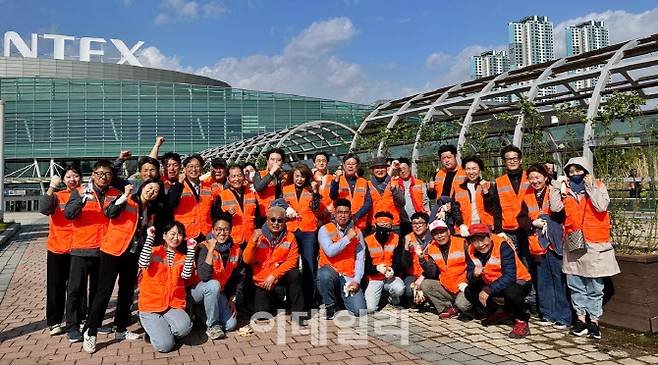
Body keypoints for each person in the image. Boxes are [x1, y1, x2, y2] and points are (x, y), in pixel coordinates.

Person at [83, 178, 164, 352]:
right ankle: (90, 332)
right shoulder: (126, 199)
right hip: (113, 251)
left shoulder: (150, 210)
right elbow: (109, 213)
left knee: (126, 292)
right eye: (150, 187)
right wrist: (124, 196)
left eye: (156, 191)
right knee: (103, 292)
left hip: (131, 255)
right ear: (142, 187)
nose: (151, 192)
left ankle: (120, 329)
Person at [555, 157, 620, 340]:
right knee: (575, 284)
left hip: (594, 243)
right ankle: (581, 320)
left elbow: (601, 206)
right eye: (571, 171)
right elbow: (554, 207)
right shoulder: (565, 191)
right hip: (574, 242)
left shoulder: (598, 185)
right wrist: (556, 186)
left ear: (586, 170)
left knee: (595, 286)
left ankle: (594, 321)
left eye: (579, 170)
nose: (575, 174)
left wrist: (590, 187)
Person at [63, 160, 124, 343]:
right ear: (93, 175)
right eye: (99, 174)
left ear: (111, 177)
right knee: (75, 290)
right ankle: (72, 326)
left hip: (105, 249)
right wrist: (82, 201)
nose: (103, 177)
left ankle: (93, 323)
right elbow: (69, 213)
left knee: (99, 290)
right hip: (82, 249)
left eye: (107, 174)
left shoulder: (116, 194)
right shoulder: (80, 192)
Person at [521, 164, 570, 329]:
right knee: (543, 281)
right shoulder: (527, 194)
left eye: (538, 177)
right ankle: (547, 314)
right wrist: (531, 223)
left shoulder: (555, 191)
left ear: (545, 177)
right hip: (537, 244)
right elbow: (520, 218)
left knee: (559, 279)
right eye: (531, 178)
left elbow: (561, 212)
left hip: (556, 242)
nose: (535, 181)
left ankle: (563, 317)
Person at [243, 202, 306, 325]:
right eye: (273, 219)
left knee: (295, 274)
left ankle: (298, 314)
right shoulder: (258, 236)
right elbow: (246, 260)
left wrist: (274, 275)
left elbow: (292, 261)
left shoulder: (290, 237)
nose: (276, 223)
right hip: (262, 279)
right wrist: (253, 243)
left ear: (285, 222)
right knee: (262, 315)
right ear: (267, 220)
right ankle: (276, 299)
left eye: (280, 220)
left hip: (278, 275)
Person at [464, 224, 532, 338]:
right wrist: (474, 275)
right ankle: (499, 311)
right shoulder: (470, 250)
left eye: (483, 239)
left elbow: (510, 276)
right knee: (469, 290)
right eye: (475, 241)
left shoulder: (502, 246)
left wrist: (488, 290)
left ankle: (521, 320)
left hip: (519, 281)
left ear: (490, 236)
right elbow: (469, 276)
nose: (481, 245)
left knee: (511, 292)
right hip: (492, 283)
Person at [138, 221, 196, 353]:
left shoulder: (183, 257)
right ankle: (152, 329)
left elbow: (186, 275)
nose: (176, 237)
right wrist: (149, 238)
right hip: (150, 306)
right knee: (165, 346)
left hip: (172, 305)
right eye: (172, 234)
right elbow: (142, 262)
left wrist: (191, 250)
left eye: (179, 234)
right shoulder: (153, 251)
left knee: (185, 328)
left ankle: (160, 329)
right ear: (164, 235)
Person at [40, 165, 82, 336]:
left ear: (81, 178)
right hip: (57, 248)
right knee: (56, 286)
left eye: (76, 176)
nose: (73, 179)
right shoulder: (57, 196)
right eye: (69, 177)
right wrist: (51, 186)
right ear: (63, 180)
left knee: (77, 287)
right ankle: (55, 321)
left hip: (79, 248)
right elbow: (44, 209)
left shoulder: (86, 195)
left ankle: (79, 317)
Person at [189, 213, 242, 339]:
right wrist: (211, 250)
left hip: (218, 293)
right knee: (213, 284)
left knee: (230, 325)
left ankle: (202, 314)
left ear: (230, 231)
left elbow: (239, 276)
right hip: (197, 291)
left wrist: (232, 298)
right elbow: (204, 276)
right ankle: (212, 326)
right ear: (212, 230)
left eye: (226, 229)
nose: (222, 233)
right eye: (218, 229)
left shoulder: (236, 249)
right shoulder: (204, 247)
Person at [317, 198, 367, 318]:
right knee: (323, 274)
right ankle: (330, 306)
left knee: (359, 311)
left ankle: (340, 298)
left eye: (346, 212)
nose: (343, 216)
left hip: (348, 276)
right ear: (334, 213)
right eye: (340, 212)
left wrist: (356, 281)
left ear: (350, 214)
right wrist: (347, 238)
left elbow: (360, 259)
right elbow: (330, 252)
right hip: (331, 273)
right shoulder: (325, 229)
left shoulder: (358, 233)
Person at [282, 163, 323, 311]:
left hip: (308, 231)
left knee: (309, 265)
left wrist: (315, 190)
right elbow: (279, 203)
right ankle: (292, 300)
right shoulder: (285, 189)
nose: (299, 179)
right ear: (293, 176)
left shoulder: (311, 190)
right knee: (290, 266)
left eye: (302, 176)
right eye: (297, 176)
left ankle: (310, 300)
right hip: (291, 230)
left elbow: (317, 208)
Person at [419, 220, 470, 319]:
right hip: (447, 287)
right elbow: (432, 273)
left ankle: (464, 308)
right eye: (435, 234)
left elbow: (472, 265)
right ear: (433, 236)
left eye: (442, 232)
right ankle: (448, 308)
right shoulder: (432, 248)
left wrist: (468, 283)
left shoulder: (462, 243)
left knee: (462, 304)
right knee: (426, 284)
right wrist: (422, 260)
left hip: (464, 286)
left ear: (448, 232)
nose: (439, 236)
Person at [363, 212, 405, 313]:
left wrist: (393, 269)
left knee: (399, 288)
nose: (384, 228)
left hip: (390, 276)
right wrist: (376, 268)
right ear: (375, 225)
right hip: (374, 278)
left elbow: (399, 260)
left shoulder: (396, 239)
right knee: (370, 308)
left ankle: (393, 299)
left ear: (391, 226)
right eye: (381, 225)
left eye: (387, 225)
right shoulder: (368, 240)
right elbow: (365, 265)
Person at [169, 154, 217, 241]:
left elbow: (214, 210)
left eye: (197, 166)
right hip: (185, 234)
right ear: (185, 170)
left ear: (201, 169)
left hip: (206, 233)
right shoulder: (177, 186)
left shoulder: (208, 186)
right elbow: (171, 203)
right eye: (190, 166)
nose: (194, 169)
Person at [219, 164, 262, 246]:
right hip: (231, 241)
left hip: (251, 239)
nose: (237, 179)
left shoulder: (252, 193)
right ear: (228, 179)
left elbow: (258, 217)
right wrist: (227, 214)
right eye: (233, 176)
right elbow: (216, 218)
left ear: (244, 177)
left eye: (239, 175)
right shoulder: (221, 196)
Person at [329, 153, 372, 231]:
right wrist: (336, 180)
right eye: (348, 164)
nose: (350, 166)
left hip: (359, 224)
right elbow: (333, 196)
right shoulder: (337, 180)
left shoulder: (364, 182)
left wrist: (356, 216)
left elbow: (368, 203)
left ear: (357, 166)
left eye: (353, 164)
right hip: (341, 225)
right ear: (344, 165)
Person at [453, 156, 493, 234]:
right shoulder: (458, 188)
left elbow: (491, 207)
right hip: (466, 229)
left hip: (485, 228)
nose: (471, 172)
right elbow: (455, 209)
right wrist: (461, 225)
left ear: (479, 170)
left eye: (474, 169)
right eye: (468, 169)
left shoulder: (488, 185)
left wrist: (485, 192)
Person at [400, 212, 432, 303]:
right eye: (414, 224)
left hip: (429, 274)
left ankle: (426, 297)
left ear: (427, 225)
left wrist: (423, 276)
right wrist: (406, 248)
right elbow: (405, 265)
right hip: (412, 274)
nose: (417, 226)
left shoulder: (433, 239)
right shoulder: (407, 238)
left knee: (427, 287)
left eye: (420, 223)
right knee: (410, 291)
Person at [368, 156, 404, 233]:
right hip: (375, 225)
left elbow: (402, 203)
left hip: (393, 226)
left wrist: (394, 191)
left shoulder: (394, 183)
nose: (380, 170)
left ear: (386, 169)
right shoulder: (368, 185)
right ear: (372, 170)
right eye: (377, 168)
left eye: (382, 168)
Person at [396, 158, 429, 235]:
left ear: (410, 167)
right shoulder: (394, 184)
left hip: (418, 221)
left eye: (404, 168)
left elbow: (426, 202)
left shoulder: (419, 183)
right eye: (400, 170)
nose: (403, 171)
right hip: (401, 222)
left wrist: (427, 218)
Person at [253, 148, 288, 216]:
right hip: (265, 215)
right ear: (267, 161)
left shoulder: (287, 176)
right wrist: (271, 172)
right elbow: (259, 188)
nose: (275, 162)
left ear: (282, 163)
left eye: (278, 160)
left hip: (282, 214)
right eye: (272, 159)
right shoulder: (259, 174)